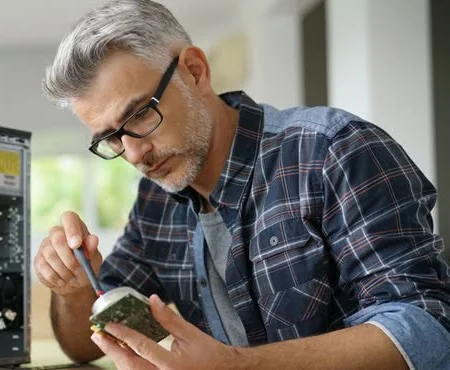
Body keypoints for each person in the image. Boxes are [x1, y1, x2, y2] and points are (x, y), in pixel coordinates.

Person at [34, 0, 450, 369]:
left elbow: (426, 330)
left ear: (195, 72)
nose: (135, 154)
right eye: (110, 138)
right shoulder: (156, 199)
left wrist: (234, 365)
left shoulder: (333, 150)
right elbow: (85, 347)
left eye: (141, 114)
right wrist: (71, 291)